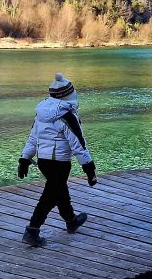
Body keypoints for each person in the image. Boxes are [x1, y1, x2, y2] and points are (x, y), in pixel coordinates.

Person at [17, 73, 98, 248]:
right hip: (60, 163)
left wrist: (25, 159)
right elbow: (78, 144)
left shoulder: (40, 113)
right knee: (50, 196)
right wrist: (89, 169)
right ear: (70, 95)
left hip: (44, 162)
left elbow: (33, 138)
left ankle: (71, 220)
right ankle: (32, 230)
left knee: (58, 190)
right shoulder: (67, 115)